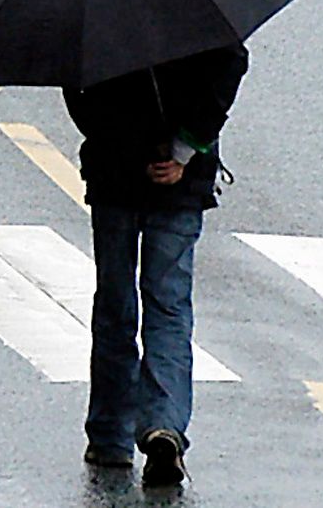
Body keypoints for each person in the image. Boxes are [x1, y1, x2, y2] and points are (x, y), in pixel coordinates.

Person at [63, 44, 248, 486]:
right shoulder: (196, 17)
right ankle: (164, 425)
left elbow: (77, 86)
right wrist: (184, 149)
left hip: (114, 176)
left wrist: (116, 140)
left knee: (115, 306)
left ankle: (110, 435)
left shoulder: (96, 20)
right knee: (168, 306)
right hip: (180, 185)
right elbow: (229, 66)